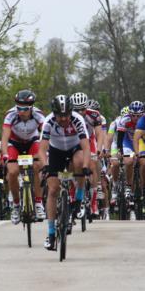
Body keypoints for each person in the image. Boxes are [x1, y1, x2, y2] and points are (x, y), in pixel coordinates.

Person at [40, 95, 91, 251]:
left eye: (66, 115)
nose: (63, 119)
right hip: (56, 152)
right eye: (60, 115)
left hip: (74, 148)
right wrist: (45, 166)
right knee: (53, 189)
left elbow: (86, 147)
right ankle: (50, 233)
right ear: (54, 113)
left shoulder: (77, 120)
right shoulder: (48, 122)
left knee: (79, 161)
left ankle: (80, 198)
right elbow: (42, 149)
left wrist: (86, 167)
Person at [2, 89, 47, 224]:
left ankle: (38, 204)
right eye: (19, 108)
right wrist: (5, 155)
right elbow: (4, 138)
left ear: (31, 107)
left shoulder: (38, 115)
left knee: (38, 166)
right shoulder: (10, 115)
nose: (21, 111)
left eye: (25, 108)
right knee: (12, 172)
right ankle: (16, 206)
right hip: (14, 144)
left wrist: (45, 152)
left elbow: (46, 135)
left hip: (32, 142)